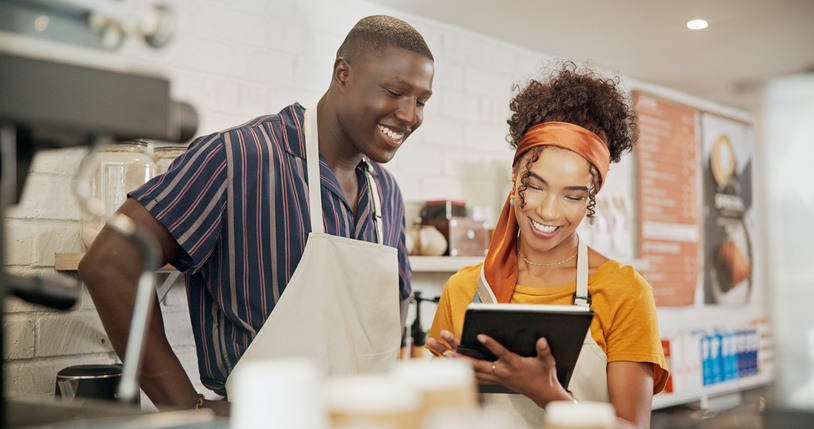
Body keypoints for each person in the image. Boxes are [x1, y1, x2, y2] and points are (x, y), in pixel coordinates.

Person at [78, 15, 434, 416]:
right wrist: (186, 410)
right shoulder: (238, 158)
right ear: (343, 74)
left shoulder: (386, 192)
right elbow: (109, 264)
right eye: (394, 92)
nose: (410, 115)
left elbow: (393, 304)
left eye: (421, 101)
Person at [426, 62, 668, 429]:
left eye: (572, 196)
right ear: (514, 176)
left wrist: (548, 394)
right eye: (535, 186)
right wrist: (450, 386)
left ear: (591, 197)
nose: (549, 211)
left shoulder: (625, 292)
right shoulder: (464, 289)